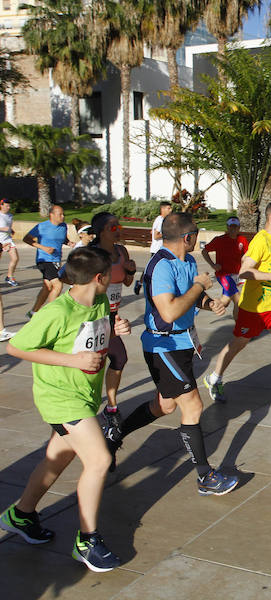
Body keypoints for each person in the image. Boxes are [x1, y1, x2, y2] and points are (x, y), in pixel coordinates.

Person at [4, 246, 131, 572]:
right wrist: (71, 360)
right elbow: (16, 346)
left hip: (85, 394)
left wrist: (116, 327)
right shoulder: (57, 311)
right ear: (99, 277)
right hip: (60, 397)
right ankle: (87, 540)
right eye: (111, 272)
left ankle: (21, 514)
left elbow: (99, 328)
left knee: (57, 457)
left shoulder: (100, 301)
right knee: (100, 459)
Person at [109, 212, 237, 495]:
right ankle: (205, 477)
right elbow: (168, 311)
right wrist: (199, 286)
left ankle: (114, 434)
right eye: (196, 235)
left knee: (165, 406)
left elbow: (190, 296)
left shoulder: (188, 261)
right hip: (163, 345)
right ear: (187, 237)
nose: (197, 240)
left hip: (183, 344)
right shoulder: (161, 266)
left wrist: (208, 303)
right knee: (192, 407)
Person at [203, 202, 271, 405]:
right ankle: (214, 378)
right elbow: (245, 271)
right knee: (239, 344)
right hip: (254, 307)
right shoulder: (262, 239)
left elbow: (248, 258)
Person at [88, 213, 137, 461]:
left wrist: (130, 271)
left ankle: (111, 406)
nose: (118, 229)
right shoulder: (92, 254)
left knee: (119, 358)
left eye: (119, 225)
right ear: (101, 231)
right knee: (94, 364)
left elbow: (127, 283)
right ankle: (88, 410)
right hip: (92, 317)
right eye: (113, 226)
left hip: (113, 315)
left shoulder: (121, 251)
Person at [23, 204, 74, 317]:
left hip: (56, 260)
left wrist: (69, 243)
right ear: (51, 215)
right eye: (60, 214)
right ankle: (48, 315)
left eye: (63, 214)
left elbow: (63, 239)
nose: (63, 216)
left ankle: (33, 312)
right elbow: (26, 239)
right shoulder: (42, 227)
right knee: (58, 285)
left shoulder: (63, 226)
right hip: (44, 260)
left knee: (47, 287)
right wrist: (43, 248)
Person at [200, 216, 249, 318]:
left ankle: (202, 304)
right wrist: (212, 265)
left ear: (239, 228)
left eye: (235, 227)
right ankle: (239, 328)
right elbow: (204, 251)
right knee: (238, 300)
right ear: (227, 227)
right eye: (231, 227)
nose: (233, 229)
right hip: (224, 275)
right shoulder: (219, 240)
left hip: (237, 275)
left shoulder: (242, 240)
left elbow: (247, 255)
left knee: (225, 302)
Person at [134, 200, 172, 295]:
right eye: (168, 208)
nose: (170, 210)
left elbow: (152, 232)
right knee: (150, 269)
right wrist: (168, 234)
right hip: (157, 250)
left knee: (158, 268)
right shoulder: (160, 220)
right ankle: (141, 283)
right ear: (162, 209)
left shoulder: (162, 220)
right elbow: (156, 235)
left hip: (163, 250)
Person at [1, 197, 20, 286]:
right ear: (1, 206)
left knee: (15, 258)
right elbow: (4, 227)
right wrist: (2, 228)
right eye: (7, 205)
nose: (9, 207)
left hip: (8, 240)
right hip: (0, 241)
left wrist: (11, 230)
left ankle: (9, 276)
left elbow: (8, 226)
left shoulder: (10, 216)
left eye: (9, 206)